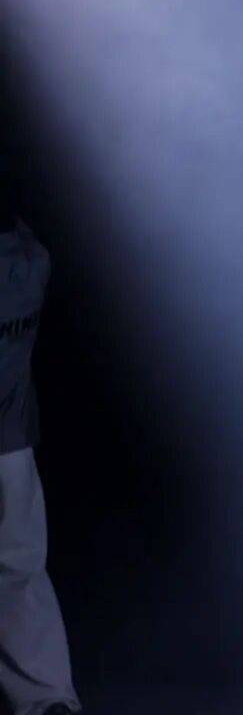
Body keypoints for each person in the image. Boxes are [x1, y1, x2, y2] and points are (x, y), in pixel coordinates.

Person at [0, 188, 81, 715]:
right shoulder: (33, 260)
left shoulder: (28, 263)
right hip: (12, 440)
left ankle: (45, 696)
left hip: (10, 437)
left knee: (20, 568)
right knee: (20, 568)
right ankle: (46, 695)